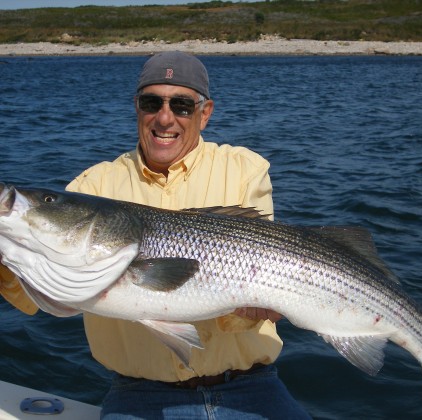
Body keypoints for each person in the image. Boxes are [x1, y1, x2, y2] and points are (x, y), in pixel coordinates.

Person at [0, 51, 311, 419]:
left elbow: (251, 298)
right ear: (137, 107)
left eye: (181, 104)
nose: (165, 118)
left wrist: (256, 308)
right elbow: (48, 298)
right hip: (138, 395)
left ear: (205, 113)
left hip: (250, 386)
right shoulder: (94, 184)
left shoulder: (244, 169)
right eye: (152, 102)